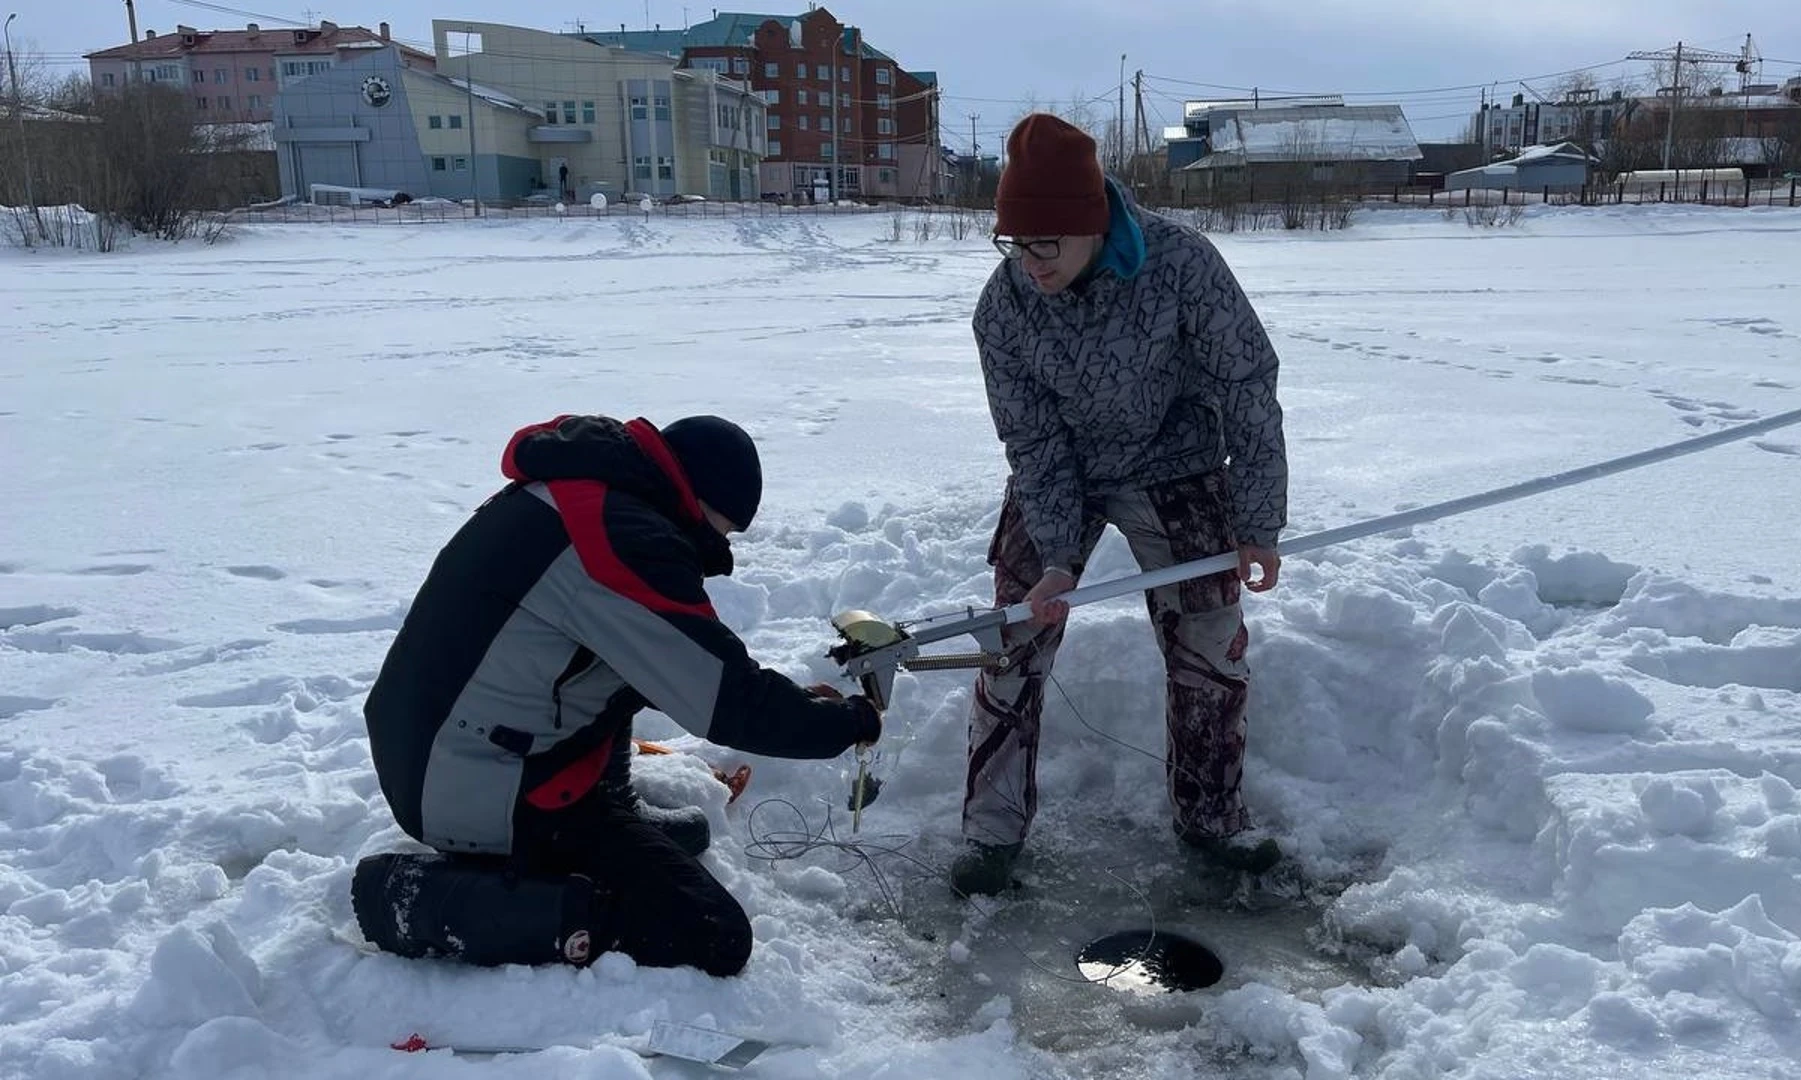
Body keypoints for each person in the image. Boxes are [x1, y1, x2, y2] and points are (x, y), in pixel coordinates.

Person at [352, 413, 881, 976]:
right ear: (697, 500)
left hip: (443, 742)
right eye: (721, 531)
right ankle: (407, 898)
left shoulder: (594, 496)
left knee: (666, 782)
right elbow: (725, 700)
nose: (718, 547)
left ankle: (601, 814)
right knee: (711, 935)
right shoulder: (617, 539)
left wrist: (795, 704)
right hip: (467, 782)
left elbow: (664, 658)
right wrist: (845, 723)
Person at [952, 112, 1290, 897]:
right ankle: (990, 831)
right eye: (1013, 243)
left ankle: (1211, 820)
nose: (1028, 263)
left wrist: (1258, 524)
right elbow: (1031, 441)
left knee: (1208, 637)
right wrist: (1059, 558)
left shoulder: (1182, 267)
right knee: (1014, 633)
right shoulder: (1004, 308)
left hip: (1175, 462)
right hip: (1063, 468)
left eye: (1046, 244)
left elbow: (1248, 389)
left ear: (1091, 226)